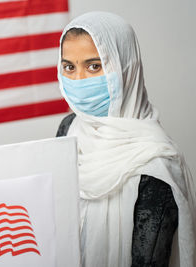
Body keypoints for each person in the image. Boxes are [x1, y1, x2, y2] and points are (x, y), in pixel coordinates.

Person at [56, 12, 196, 267]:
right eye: (69, 67)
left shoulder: (156, 165)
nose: (78, 80)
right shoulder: (69, 129)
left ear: (125, 68)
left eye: (94, 66)